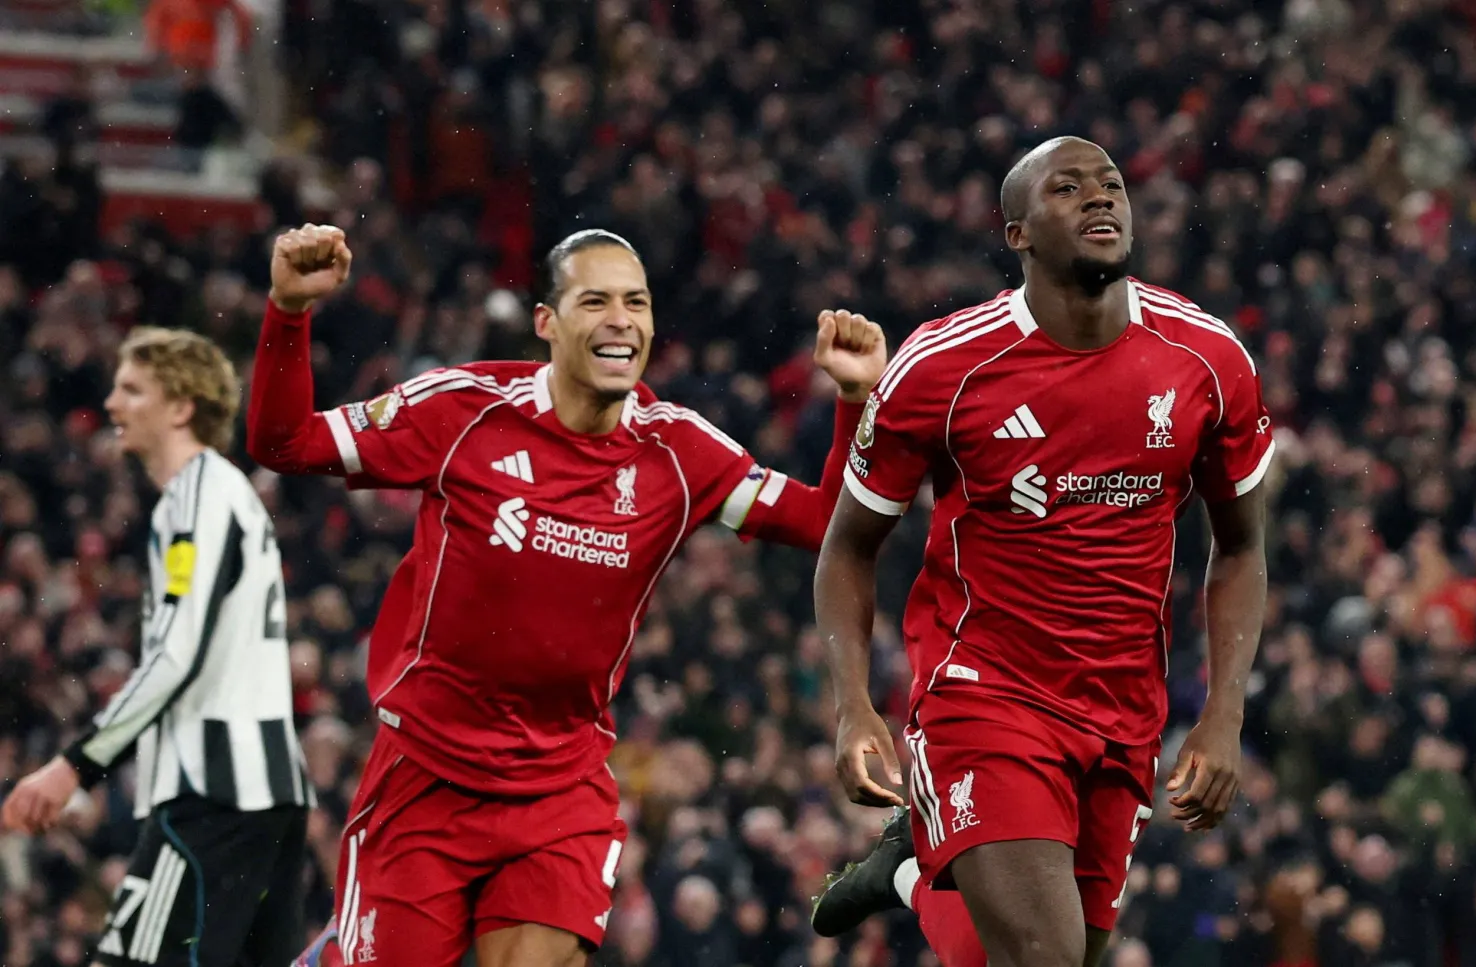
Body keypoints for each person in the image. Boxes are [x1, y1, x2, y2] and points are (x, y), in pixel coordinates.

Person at [245, 225, 887, 967]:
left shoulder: (677, 452)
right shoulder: (465, 413)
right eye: (596, 300)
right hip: (424, 779)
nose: (622, 319)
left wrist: (853, 400)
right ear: (547, 322)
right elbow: (284, 442)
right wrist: (288, 312)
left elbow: (820, 521)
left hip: (559, 789)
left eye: (637, 302)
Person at [810, 137, 1272, 967]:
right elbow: (848, 546)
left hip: (1125, 710)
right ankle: (927, 847)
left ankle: (917, 870)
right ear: (1018, 233)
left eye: (1112, 184)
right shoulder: (943, 366)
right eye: (1068, 188)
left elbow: (1240, 549)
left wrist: (1224, 713)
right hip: (985, 698)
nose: (1101, 198)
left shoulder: (1207, 358)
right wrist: (852, 702)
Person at [2, 327, 312, 966]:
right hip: (265, 792)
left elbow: (177, 653)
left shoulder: (198, 496)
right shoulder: (220, 496)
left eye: (132, 389)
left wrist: (74, 766)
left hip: (214, 795)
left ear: (180, 406)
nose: (113, 404)